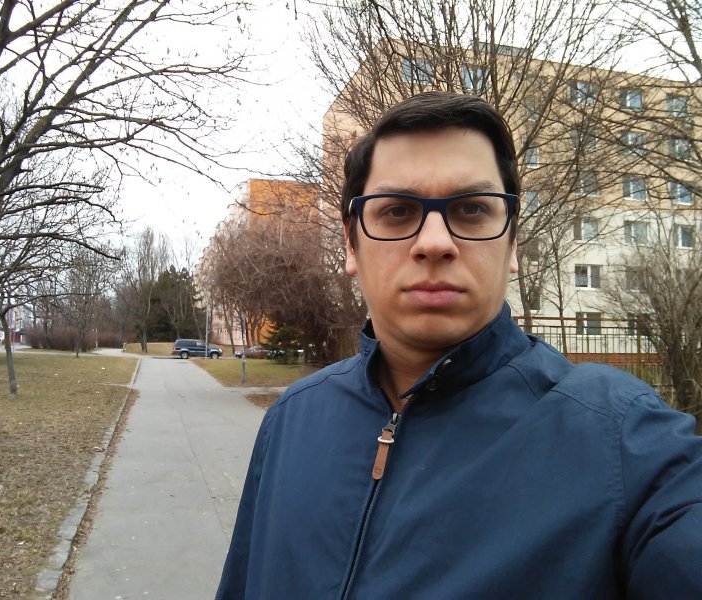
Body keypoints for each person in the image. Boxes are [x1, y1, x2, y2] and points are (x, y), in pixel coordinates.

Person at [216, 91, 702, 598]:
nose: (434, 242)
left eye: (471, 209)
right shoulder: (291, 419)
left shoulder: (621, 439)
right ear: (350, 243)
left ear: (512, 243)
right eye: (397, 210)